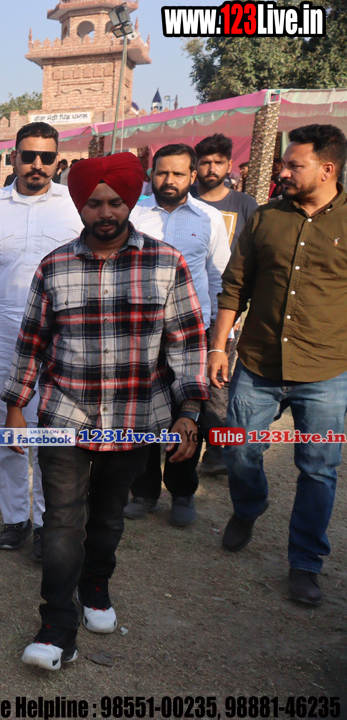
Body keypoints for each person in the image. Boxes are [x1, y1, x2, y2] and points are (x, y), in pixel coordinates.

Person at [3, 152, 207, 670]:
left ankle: (96, 585)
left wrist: (189, 410)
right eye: (93, 203)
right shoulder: (55, 266)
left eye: (115, 201)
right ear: (80, 206)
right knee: (62, 521)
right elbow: (32, 341)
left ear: (130, 201)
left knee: (109, 516)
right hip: (65, 416)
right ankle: (56, 626)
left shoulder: (167, 263)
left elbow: (186, 343)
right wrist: (16, 406)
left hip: (137, 418)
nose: (105, 212)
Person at [211, 124, 347, 607]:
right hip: (258, 361)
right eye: (283, 163)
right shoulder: (267, 217)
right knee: (238, 449)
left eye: (294, 165)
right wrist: (218, 348)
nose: (282, 172)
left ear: (327, 169)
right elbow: (235, 285)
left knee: (319, 469)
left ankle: (305, 562)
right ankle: (248, 506)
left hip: (326, 369)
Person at [0, 122, 83, 560]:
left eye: (46, 157)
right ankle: (15, 519)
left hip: (58, 344)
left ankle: (48, 525)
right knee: (7, 435)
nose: (36, 165)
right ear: (13, 157)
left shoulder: (74, 206)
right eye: (28, 156)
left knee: (51, 437)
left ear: (57, 161)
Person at [127, 144, 230, 526]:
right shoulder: (133, 214)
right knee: (141, 414)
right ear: (151, 174)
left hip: (191, 334)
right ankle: (144, 491)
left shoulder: (209, 219)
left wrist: (218, 339)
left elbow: (219, 278)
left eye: (177, 174)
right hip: (141, 334)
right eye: (162, 173)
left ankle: (183, 491)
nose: (168, 180)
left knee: (187, 411)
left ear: (192, 176)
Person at [190, 134, 260, 475]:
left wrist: (238, 312)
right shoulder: (183, 201)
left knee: (218, 383)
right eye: (205, 162)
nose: (211, 168)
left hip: (226, 310)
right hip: (187, 308)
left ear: (229, 165)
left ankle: (216, 452)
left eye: (218, 162)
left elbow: (253, 258)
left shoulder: (245, 205)